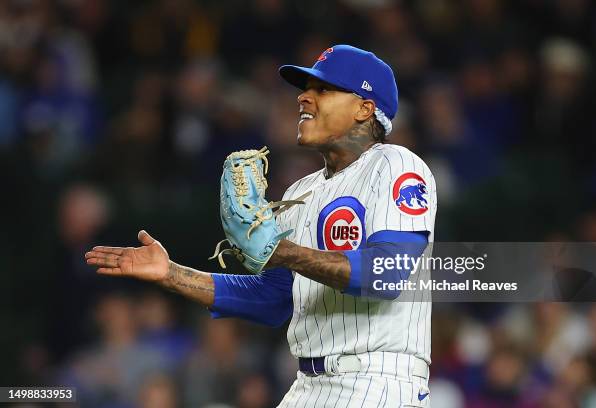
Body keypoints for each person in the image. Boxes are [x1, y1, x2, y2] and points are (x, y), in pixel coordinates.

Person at [86, 44, 437, 407]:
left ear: (365, 108)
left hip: (377, 380)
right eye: (306, 88)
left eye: (323, 90)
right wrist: (172, 274)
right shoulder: (302, 191)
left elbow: (388, 273)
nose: (304, 98)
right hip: (309, 385)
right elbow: (274, 298)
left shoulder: (396, 166)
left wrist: (283, 252)